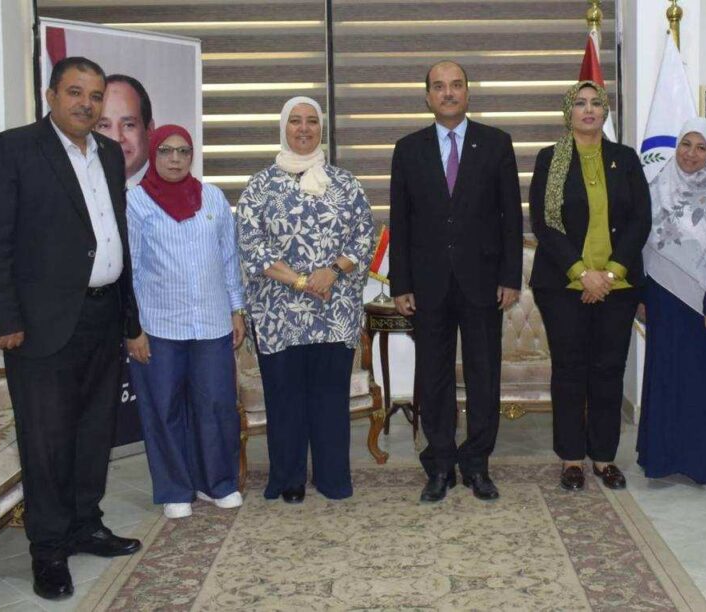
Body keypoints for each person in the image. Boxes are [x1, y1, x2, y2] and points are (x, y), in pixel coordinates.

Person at [0, 56, 142, 601]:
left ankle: (85, 524)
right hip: (40, 325)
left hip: (103, 316)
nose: (86, 104)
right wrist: (4, 318)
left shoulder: (109, 153)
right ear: (50, 96)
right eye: (75, 92)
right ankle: (47, 549)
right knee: (46, 441)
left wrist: (129, 318)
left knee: (94, 432)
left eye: (95, 95)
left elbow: (115, 237)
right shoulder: (12, 149)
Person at [388, 60, 523, 503]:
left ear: (468, 92)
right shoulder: (408, 149)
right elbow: (400, 222)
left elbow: (510, 217)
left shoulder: (497, 143)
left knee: (484, 375)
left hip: (483, 282)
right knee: (434, 376)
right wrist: (401, 283)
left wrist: (510, 276)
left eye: (456, 85)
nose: (448, 93)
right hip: (428, 285)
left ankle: (477, 463)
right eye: (439, 86)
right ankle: (441, 464)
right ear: (427, 96)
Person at [236, 96, 374, 503]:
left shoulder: (345, 183)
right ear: (283, 128)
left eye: (311, 121)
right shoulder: (261, 186)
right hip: (278, 313)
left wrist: (332, 271)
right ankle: (289, 478)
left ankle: (333, 477)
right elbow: (252, 245)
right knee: (285, 398)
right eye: (295, 121)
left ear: (321, 128)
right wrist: (300, 281)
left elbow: (363, 236)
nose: (303, 128)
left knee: (330, 398)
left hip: (334, 310)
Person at [529, 81, 650, 491]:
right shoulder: (550, 159)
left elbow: (640, 220)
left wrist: (610, 274)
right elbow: (545, 223)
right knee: (569, 370)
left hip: (618, 286)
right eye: (580, 103)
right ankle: (571, 459)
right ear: (569, 112)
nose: (588, 109)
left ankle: (603, 457)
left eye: (596, 102)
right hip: (563, 285)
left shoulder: (625, 159)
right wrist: (582, 273)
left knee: (608, 370)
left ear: (605, 111)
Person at [125, 124, 246, 519]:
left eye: (183, 151)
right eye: (165, 151)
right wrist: (132, 328)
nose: (175, 159)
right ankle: (175, 489)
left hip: (212, 322)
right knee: (164, 408)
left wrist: (236, 309)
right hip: (158, 326)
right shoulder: (136, 202)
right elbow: (128, 270)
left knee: (217, 404)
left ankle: (217, 483)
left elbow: (229, 258)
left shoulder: (212, 198)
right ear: (153, 154)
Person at [636, 118, 706, 489]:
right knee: (667, 381)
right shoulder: (656, 189)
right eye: (686, 144)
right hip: (664, 302)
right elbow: (639, 245)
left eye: (701, 148)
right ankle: (663, 460)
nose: (691, 154)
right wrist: (641, 296)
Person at [96, 74, 155, 187]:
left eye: (128, 125)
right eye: (104, 125)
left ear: (150, 130)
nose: (116, 138)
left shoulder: (175, 192)